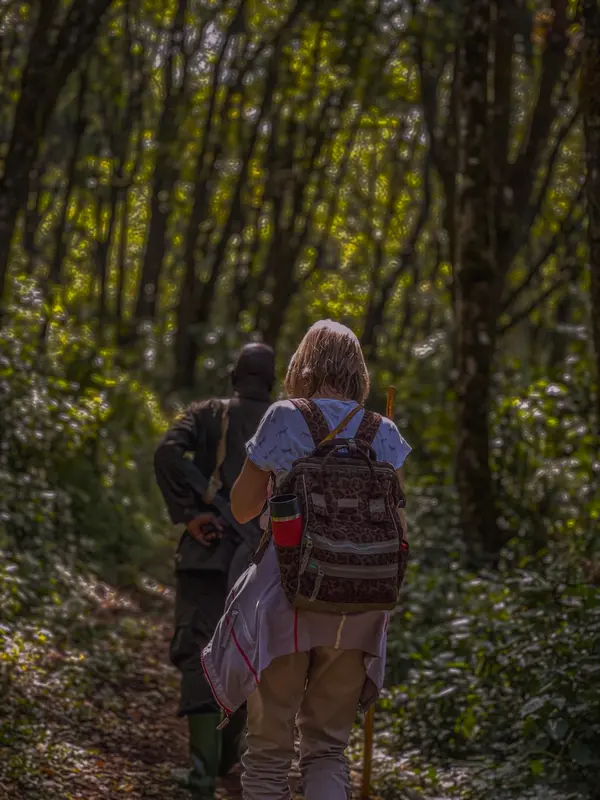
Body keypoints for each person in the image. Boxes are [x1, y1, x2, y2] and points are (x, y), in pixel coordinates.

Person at [201, 320, 411, 800]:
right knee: (328, 751)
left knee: (270, 752)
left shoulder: (283, 417)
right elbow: (399, 531)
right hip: (360, 609)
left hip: (286, 601)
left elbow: (243, 507)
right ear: (358, 372)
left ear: (302, 365)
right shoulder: (385, 431)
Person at [154, 343, 275, 798]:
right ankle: (226, 761)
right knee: (246, 655)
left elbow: (167, 453)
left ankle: (203, 775)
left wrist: (189, 514)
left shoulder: (206, 412)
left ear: (233, 377)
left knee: (198, 651)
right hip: (261, 563)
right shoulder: (284, 421)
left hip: (207, 554)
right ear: (272, 380)